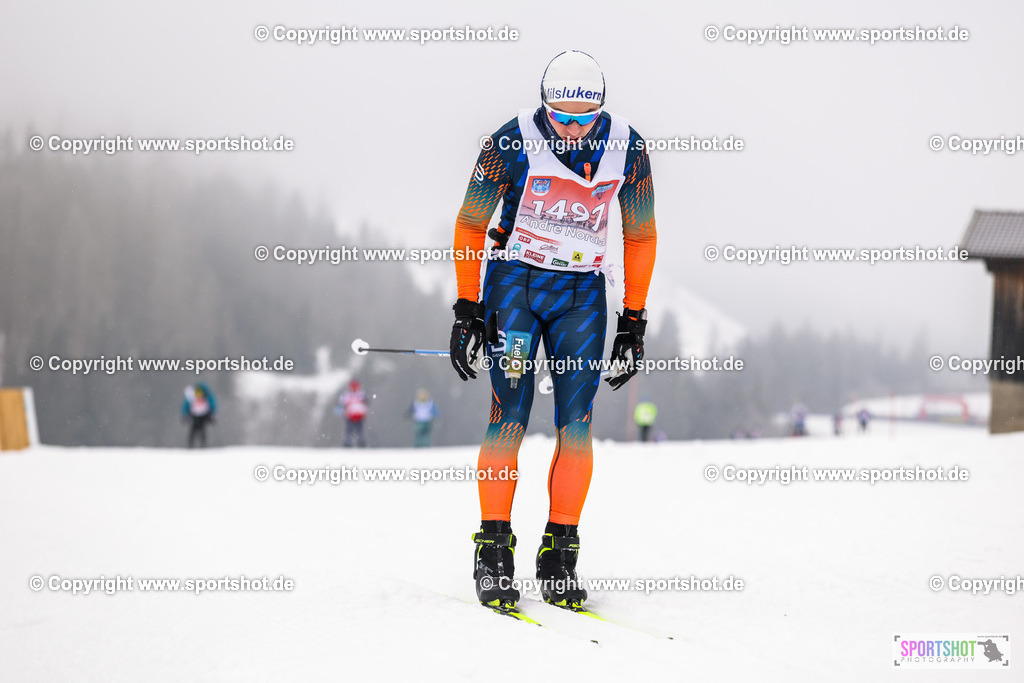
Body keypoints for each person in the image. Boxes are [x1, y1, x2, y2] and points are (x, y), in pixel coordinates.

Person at [449, 50, 657, 610]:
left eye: (583, 118)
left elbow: (638, 236)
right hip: (515, 288)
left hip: (581, 298)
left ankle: (559, 553)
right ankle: (493, 552)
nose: (571, 128)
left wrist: (632, 320)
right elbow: (471, 222)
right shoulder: (511, 139)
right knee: (509, 414)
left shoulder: (628, 148)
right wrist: (467, 306)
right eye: (560, 117)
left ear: (601, 110)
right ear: (543, 106)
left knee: (577, 424)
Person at [181, 383, 216, 448]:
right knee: (193, 430)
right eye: (197, 393)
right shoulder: (192, 398)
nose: (199, 395)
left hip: (203, 416)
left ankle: (203, 444)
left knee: (202, 430)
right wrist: (184, 415)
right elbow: (186, 406)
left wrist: (211, 415)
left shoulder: (207, 398)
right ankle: (190, 445)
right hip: (194, 416)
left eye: (200, 393)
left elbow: (212, 405)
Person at [336, 379, 368, 447]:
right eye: (353, 386)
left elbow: (366, 403)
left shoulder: (361, 394)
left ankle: (361, 443)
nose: (354, 388)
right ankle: (348, 443)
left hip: (359, 416)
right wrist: (338, 411)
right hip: (350, 416)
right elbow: (341, 403)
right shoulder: (346, 395)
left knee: (359, 431)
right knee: (349, 431)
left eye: (355, 386)